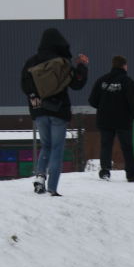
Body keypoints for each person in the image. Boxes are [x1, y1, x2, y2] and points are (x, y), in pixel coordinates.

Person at [21, 28, 88, 196]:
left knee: (46, 145)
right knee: (57, 148)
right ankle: (52, 187)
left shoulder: (31, 62)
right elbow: (77, 84)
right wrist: (82, 66)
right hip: (59, 110)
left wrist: (38, 96)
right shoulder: (62, 62)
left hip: (39, 111)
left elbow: (25, 86)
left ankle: (40, 177)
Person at [88, 55, 134, 182]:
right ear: (124, 66)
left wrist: (104, 106)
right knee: (127, 146)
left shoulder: (102, 81)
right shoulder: (128, 82)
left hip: (105, 119)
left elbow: (92, 101)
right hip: (123, 120)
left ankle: (105, 171)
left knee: (106, 145)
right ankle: (131, 174)